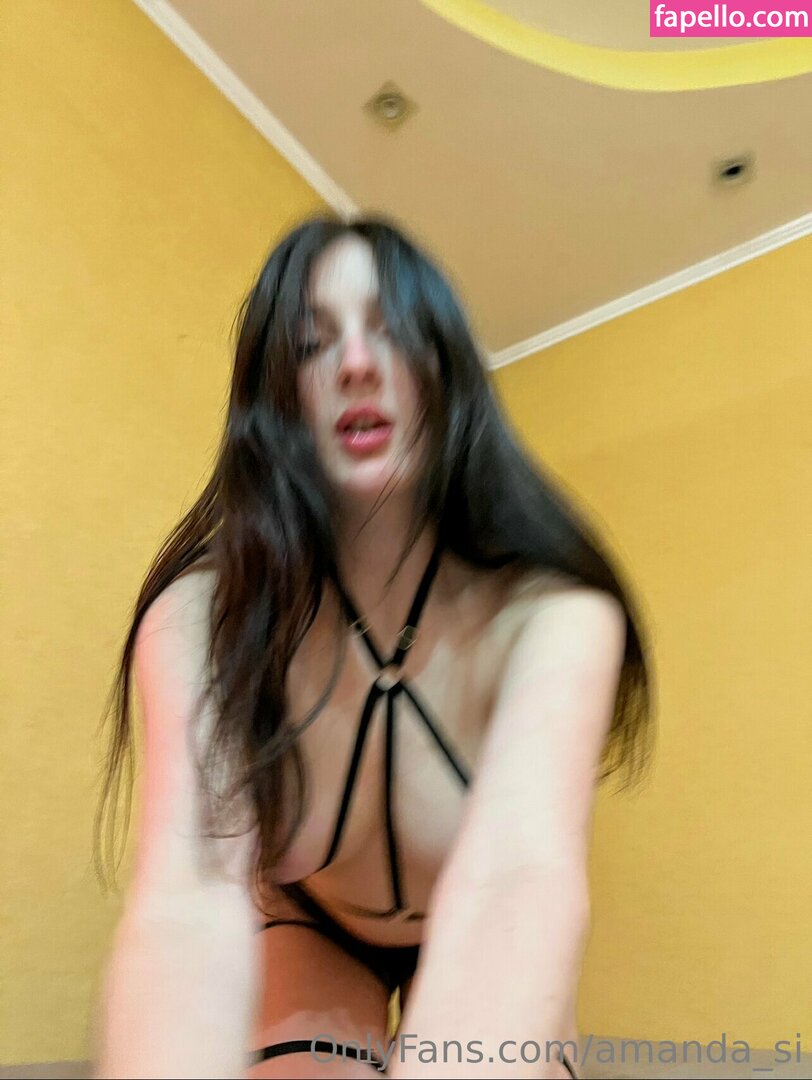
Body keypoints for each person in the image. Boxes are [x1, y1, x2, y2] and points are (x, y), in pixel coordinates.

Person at [93, 213, 654, 1079]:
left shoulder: (556, 613)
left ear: (446, 366)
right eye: (312, 343)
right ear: (273, 396)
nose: (356, 363)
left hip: (475, 921)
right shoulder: (203, 614)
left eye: (391, 330)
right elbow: (188, 898)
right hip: (307, 919)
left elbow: (518, 879)